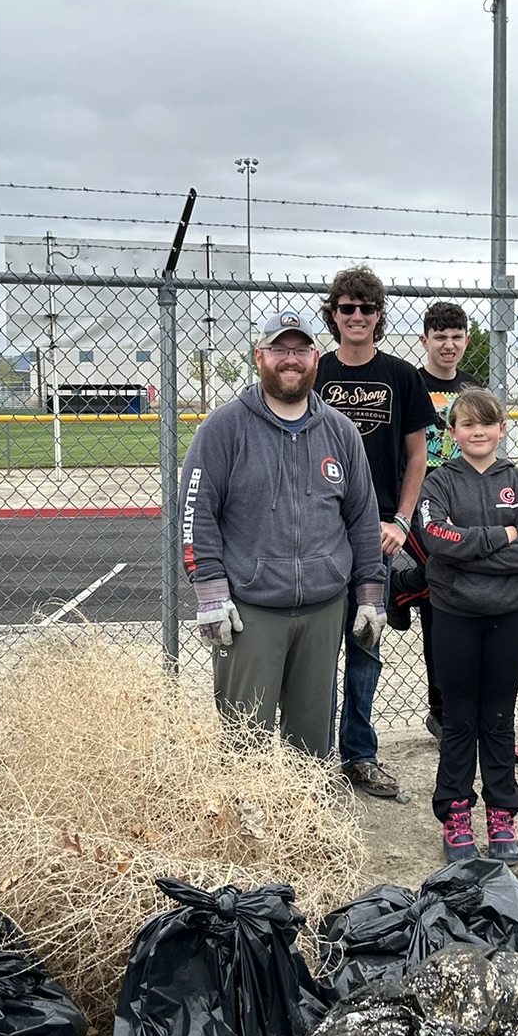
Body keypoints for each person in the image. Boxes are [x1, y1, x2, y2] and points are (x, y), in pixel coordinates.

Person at [178, 310, 386, 758]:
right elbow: (196, 514)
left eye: (300, 350)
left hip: (324, 608)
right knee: (245, 744)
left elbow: (362, 518)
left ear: (315, 358)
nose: (290, 359)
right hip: (250, 611)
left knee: (310, 749)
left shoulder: (340, 431)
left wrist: (370, 594)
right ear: (259, 357)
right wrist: (210, 592)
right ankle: (245, 805)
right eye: (279, 349)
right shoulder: (223, 428)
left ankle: (306, 806)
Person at [316, 265, 433, 799]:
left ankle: (359, 756)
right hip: (321, 536)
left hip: (377, 535)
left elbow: (417, 457)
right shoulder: (317, 372)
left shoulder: (401, 376)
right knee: (319, 650)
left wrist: (401, 521)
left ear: (379, 315)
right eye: (347, 308)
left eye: (366, 308)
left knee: (364, 648)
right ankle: (314, 757)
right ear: (334, 315)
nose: (357, 316)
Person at [418, 387, 518, 866]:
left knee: (497, 717)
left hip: (508, 617)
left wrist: (466, 554)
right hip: (454, 616)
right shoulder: (439, 483)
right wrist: (500, 536)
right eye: (467, 424)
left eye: (486, 423)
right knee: (458, 719)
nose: (477, 432)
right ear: (452, 433)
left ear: (501, 429)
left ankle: (501, 812)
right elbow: (437, 540)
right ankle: (455, 812)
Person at [415, 299, 474, 741]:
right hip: (423, 500)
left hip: (464, 501)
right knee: (437, 600)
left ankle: (460, 702)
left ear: (466, 340)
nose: (448, 345)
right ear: (425, 341)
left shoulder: (472, 389)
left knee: (462, 602)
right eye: (440, 337)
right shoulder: (412, 383)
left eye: (456, 337)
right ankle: (440, 707)